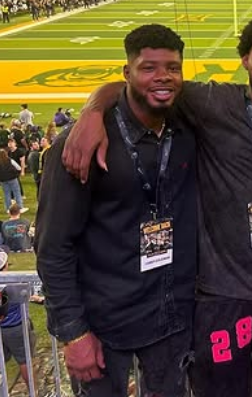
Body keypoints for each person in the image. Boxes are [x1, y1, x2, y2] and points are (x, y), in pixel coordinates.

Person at [60, 14, 252, 397]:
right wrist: (92, 112)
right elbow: (137, 85)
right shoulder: (212, 101)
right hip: (222, 296)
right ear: (245, 60)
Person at [36, 24, 198, 397]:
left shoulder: (187, 127)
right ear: (126, 73)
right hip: (106, 322)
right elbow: (52, 246)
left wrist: (96, 101)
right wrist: (73, 332)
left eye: (172, 68)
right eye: (149, 68)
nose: (163, 77)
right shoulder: (81, 145)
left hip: (172, 316)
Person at [0, 249, 37, 387]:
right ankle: (33, 393)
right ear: (4, 266)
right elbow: (29, 293)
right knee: (25, 361)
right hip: (15, 328)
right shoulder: (14, 282)